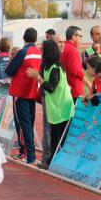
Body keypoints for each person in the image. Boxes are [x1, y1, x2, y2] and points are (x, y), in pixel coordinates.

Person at [27, 40, 75, 169]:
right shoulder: (46, 66)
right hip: (54, 108)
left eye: (43, 50)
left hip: (63, 108)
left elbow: (51, 87)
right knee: (54, 137)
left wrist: (38, 77)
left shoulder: (56, 68)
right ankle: (52, 163)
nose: (41, 52)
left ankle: (64, 164)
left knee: (62, 138)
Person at [5, 28, 42, 165]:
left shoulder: (22, 52)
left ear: (24, 37)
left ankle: (27, 154)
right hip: (33, 91)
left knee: (22, 123)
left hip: (20, 92)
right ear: (35, 38)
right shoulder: (39, 52)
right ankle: (29, 153)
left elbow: (9, 70)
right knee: (29, 122)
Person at [60, 26, 86, 101]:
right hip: (74, 89)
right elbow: (75, 71)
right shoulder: (72, 50)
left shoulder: (62, 47)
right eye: (80, 36)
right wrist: (88, 83)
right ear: (74, 37)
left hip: (65, 88)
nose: (81, 39)